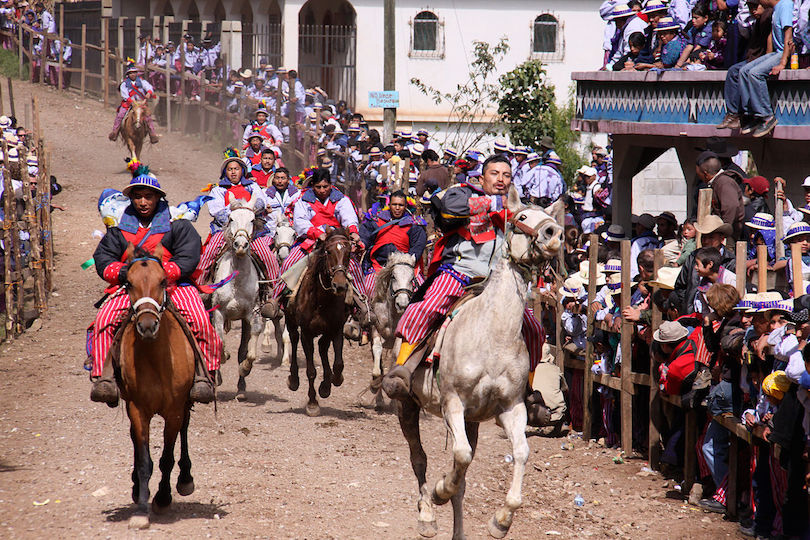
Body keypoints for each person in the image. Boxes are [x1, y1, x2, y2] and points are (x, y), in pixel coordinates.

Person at [382, 155, 548, 422]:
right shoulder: (463, 193)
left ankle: (527, 390)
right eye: (495, 174)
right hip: (460, 274)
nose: (501, 180)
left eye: (506, 175)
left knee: (534, 329)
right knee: (422, 311)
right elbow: (446, 205)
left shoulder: (517, 209)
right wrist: (495, 203)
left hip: (499, 283)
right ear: (482, 178)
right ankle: (403, 370)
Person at [88, 166, 220, 406]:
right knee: (103, 320)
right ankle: (103, 377)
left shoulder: (177, 225)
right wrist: (127, 273)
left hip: (173, 286)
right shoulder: (118, 229)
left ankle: (206, 375)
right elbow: (104, 258)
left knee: (200, 320)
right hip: (132, 288)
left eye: (148, 196)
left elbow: (189, 256)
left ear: (159, 197)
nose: (142, 202)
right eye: (137, 196)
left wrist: (161, 273)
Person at [266, 167, 367, 309]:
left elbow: (349, 218)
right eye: (318, 187)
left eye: (325, 186)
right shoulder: (304, 201)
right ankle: (276, 300)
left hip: (336, 240)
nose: (322, 190)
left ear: (331, 185)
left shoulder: (342, 200)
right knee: (289, 263)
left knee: (354, 267)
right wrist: (317, 233)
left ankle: (363, 306)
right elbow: (300, 222)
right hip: (311, 240)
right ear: (313, 186)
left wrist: (353, 232)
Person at [194, 151, 278, 283]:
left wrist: (246, 210)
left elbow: (261, 202)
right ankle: (199, 288)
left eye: (236, 169)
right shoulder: (219, 189)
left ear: (242, 171)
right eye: (230, 169)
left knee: (267, 255)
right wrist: (235, 210)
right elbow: (216, 211)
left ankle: (273, 290)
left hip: (251, 229)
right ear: (225, 173)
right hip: (225, 229)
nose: (233, 172)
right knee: (208, 254)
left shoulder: (252, 186)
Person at [719, 0, 792, 137]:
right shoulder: (775, 9)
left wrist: (783, 62)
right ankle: (749, 114)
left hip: (782, 53)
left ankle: (766, 115)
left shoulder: (785, 5)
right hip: (775, 53)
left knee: (754, 73)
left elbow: (788, 33)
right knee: (743, 70)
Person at [716, 1, 774, 131]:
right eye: (750, 8)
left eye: (755, 7)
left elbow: (770, 42)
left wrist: (766, 60)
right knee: (732, 71)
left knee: (746, 72)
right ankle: (734, 114)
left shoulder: (768, 16)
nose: (753, 11)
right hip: (754, 57)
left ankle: (756, 114)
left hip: (765, 58)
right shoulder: (757, 21)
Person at [359, 190, 427, 294]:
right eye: (394, 204)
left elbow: (418, 246)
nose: (397, 208)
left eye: (401, 205)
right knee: (367, 290)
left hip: (404, 267)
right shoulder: (376, 220)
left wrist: (407, 261)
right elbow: (365, 236)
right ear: (389, 204)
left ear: (405, 206)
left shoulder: (414, 225)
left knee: (420, 292)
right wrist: (362, 243)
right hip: (379, 266)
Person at [671, 215, 737, 314]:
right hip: (693, 314)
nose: (705, 241)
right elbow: (681, 286)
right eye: (703, 237)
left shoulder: (730, 261)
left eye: (710, 237)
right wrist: (688, 306)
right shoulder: (693, 257)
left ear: (722, 239)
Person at [697, 151, 745, 239]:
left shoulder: (724, 182)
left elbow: (731, 206)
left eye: (698, 174)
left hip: (726, 236)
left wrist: (724, 231)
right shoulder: (717, 183)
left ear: (705, 173)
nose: (698, 177)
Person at [108, 63, 159, 144]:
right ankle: (115, 132)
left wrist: (149, 93)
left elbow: (149, 87)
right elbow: (124, 94)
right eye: (131, 73)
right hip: (129, 103)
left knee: (148, 117)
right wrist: (132, 102)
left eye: (134, 72)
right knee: (120, 115)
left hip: (141, 103)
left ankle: (152, 134)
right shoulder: (124, 84)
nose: (133, 74)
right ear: (128, 74)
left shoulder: (141, 81)